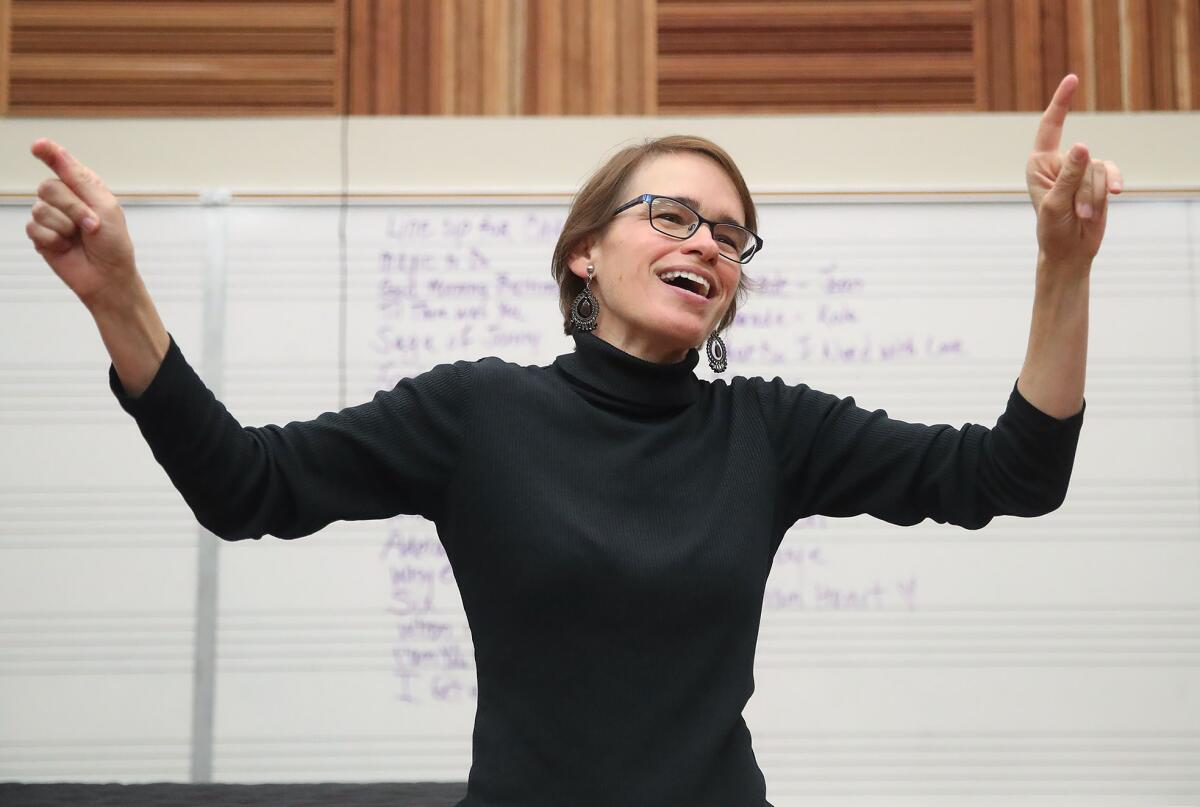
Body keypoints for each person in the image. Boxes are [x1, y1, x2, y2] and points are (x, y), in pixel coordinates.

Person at [25, 74, 1121, 806]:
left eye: (735, 236)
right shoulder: (476, 413)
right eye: (676, 216)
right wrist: (121, 298)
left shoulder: (773, 430)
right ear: (585, 253)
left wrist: (1062, 270)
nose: (712, 245)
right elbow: (244, 486)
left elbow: (1013, 475)